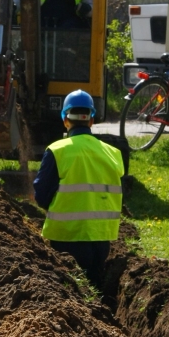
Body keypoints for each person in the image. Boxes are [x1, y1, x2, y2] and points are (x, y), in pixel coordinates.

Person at [33, 89, 123, 291]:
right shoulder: (113, 153)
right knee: (95, 288)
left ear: (65, 119)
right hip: (101, 240)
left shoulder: (57, 151)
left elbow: (41, 195)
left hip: (66, 239)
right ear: (91, 120)